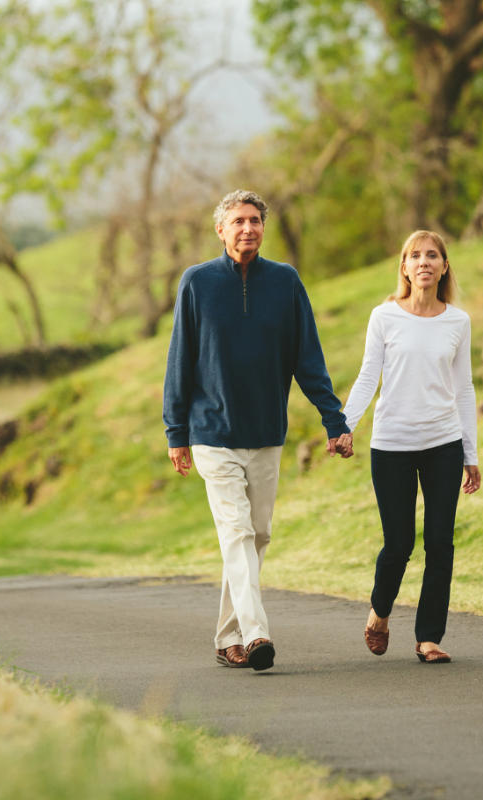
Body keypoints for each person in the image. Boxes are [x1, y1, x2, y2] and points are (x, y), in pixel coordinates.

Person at [163, 189, 353, 672]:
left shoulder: (285, 282)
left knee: (257, 535)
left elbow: (307, 359)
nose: (247, 228)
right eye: (238, 221)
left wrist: (334, 419)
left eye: (255, 220)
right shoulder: (197, 283)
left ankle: (229, 636)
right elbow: (179, 360)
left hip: (267, 432)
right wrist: (176, 432)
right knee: (236, 531)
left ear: (263, 228)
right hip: (212, 433)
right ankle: (256, 633)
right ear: (221, 230)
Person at [338, 230, 482, 664]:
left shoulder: (458, 321)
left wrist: (470, 453)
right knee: (398, 543)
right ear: (404, 267)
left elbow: (464, 389)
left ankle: (428, 638)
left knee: (440, 543)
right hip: (392, 444)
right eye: (415, 255)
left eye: (432, 255)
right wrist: (344, 426)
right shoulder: (384, 317)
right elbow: (368, 377)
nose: (423, 262)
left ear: (443, 267)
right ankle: (379, 613)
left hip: (443, 444)